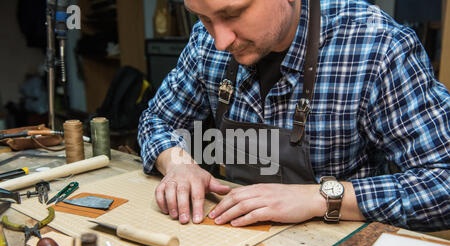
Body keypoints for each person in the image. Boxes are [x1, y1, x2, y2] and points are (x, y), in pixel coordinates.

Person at [138, 0, 449, 232]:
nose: (221, 41)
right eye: (203, 17)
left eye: (233, 14)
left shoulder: (378, 47)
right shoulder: (206, 43)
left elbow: (443, 182)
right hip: (234, 235)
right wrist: (178, 164)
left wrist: (320, 198)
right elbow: (158, 119)